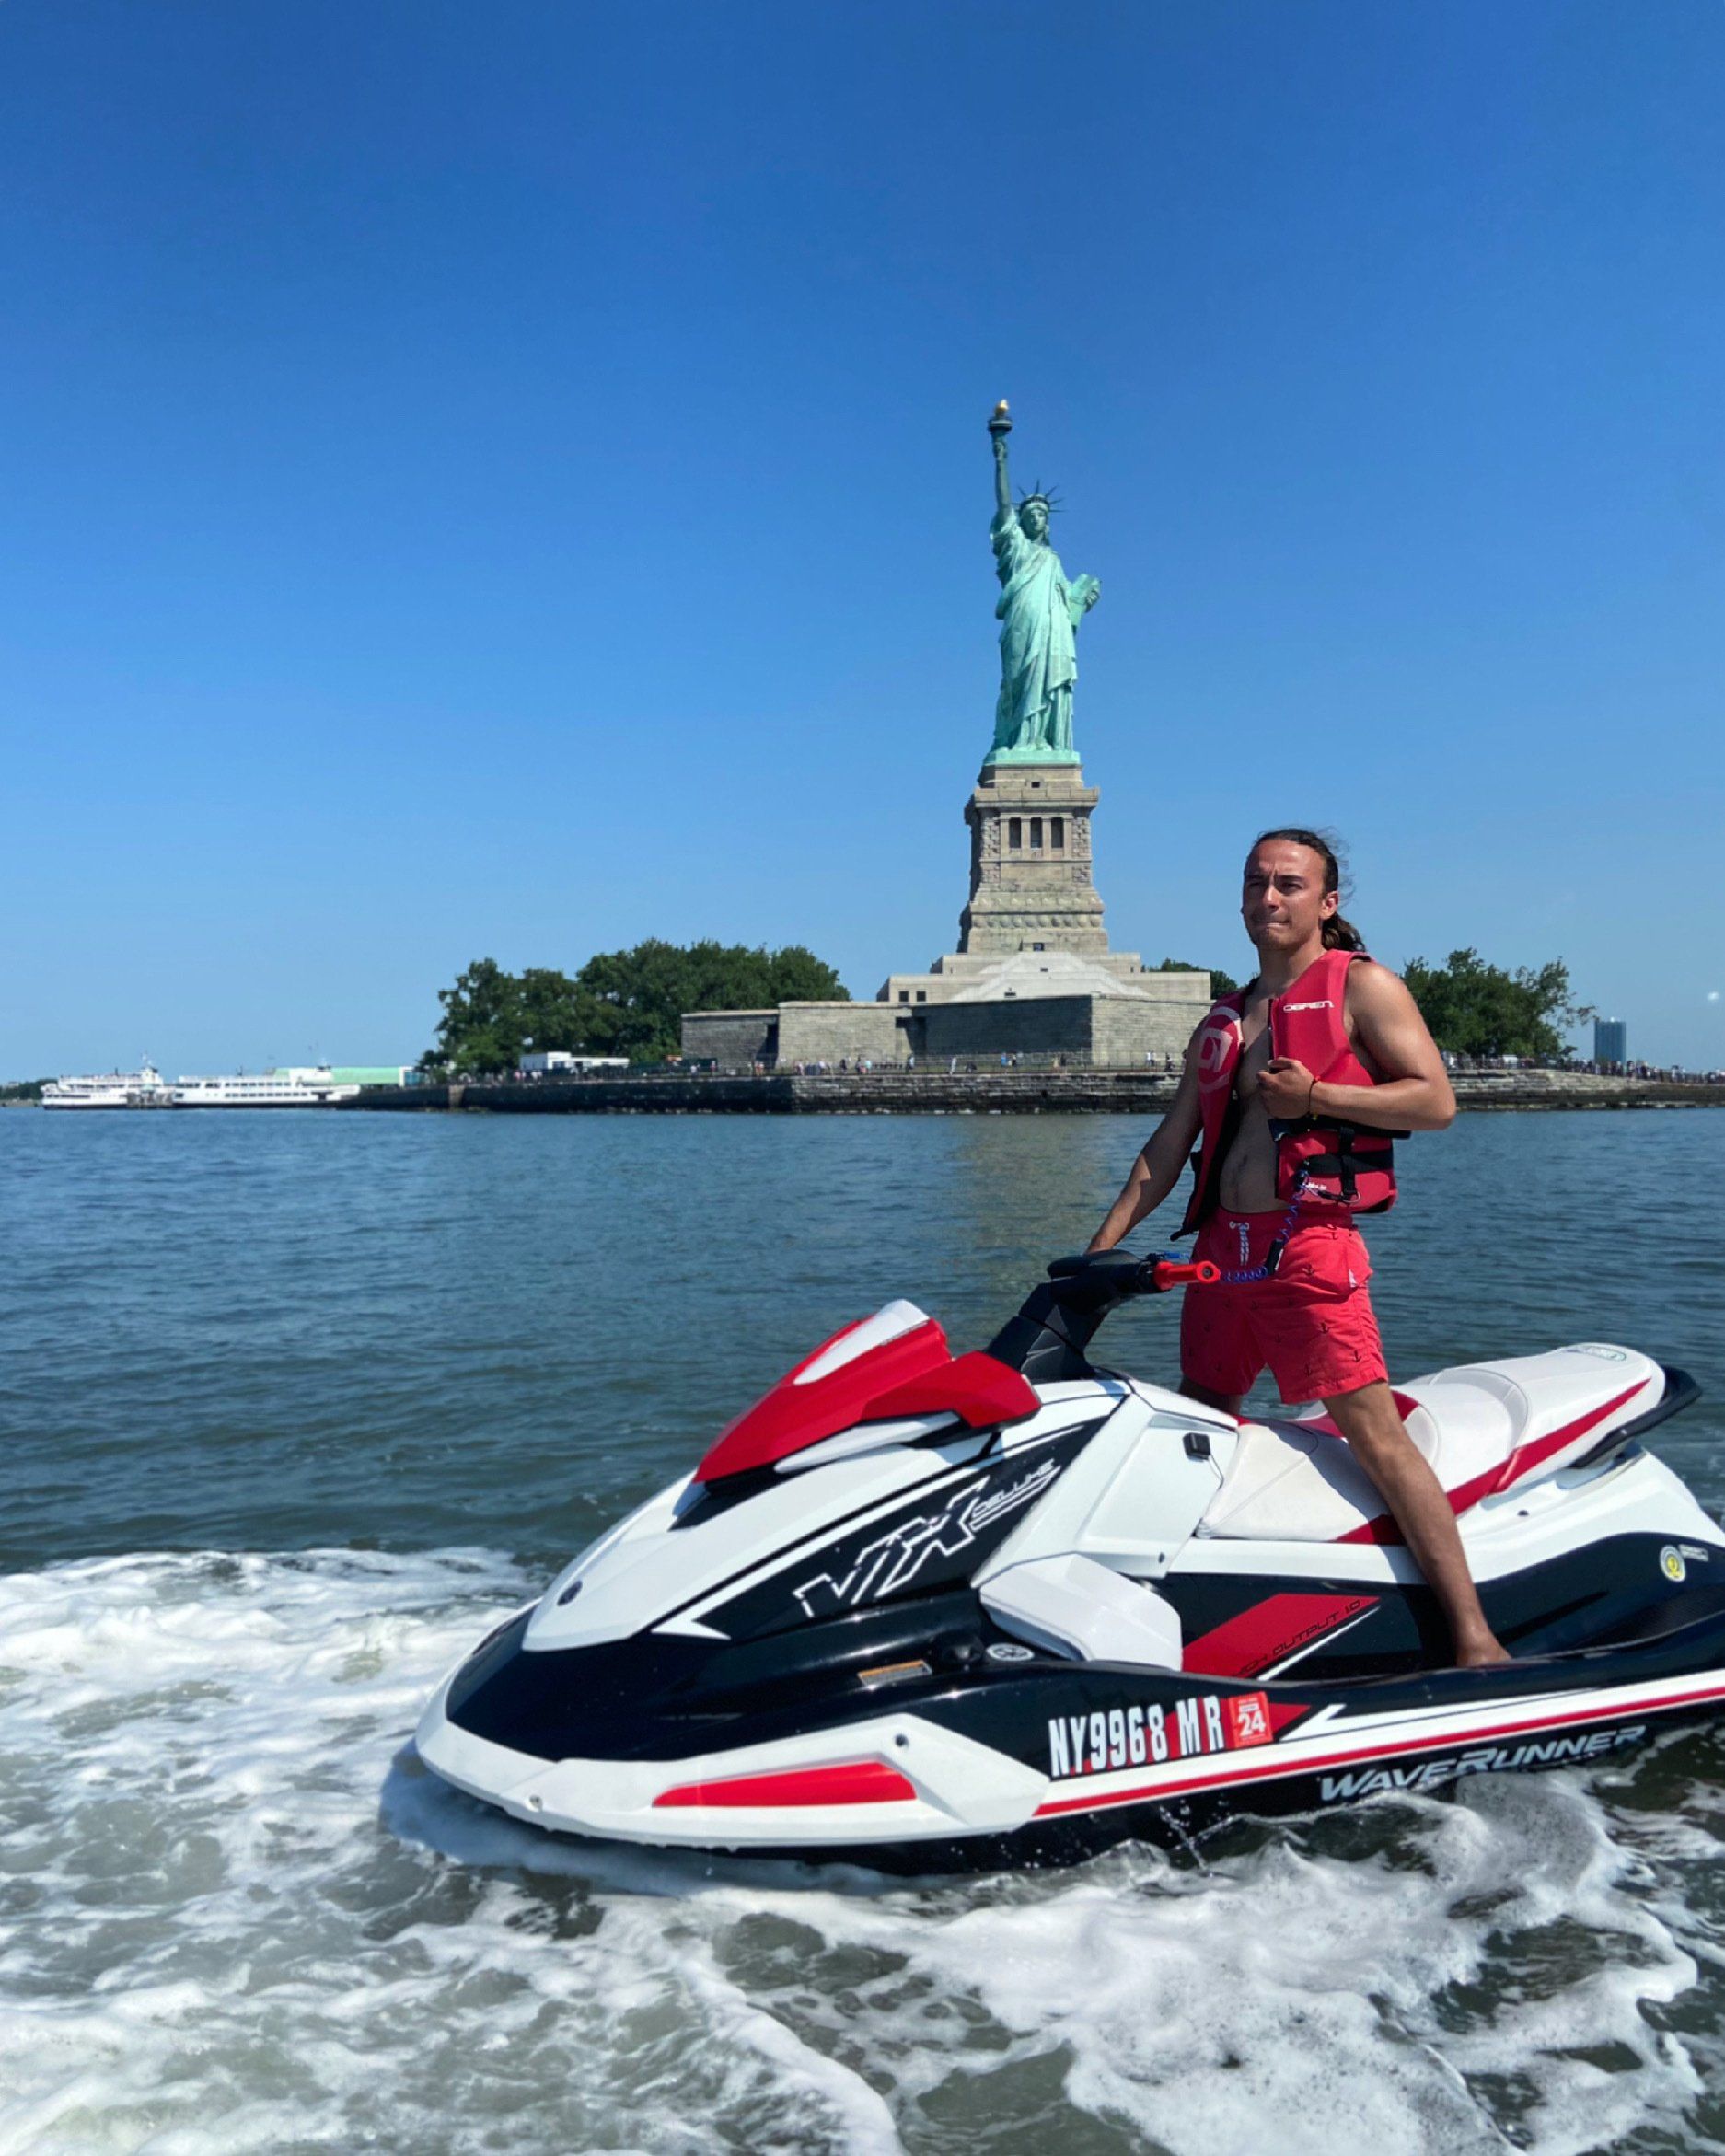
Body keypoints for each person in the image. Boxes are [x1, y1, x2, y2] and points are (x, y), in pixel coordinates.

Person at [1088, 828, 1509, 1668]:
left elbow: (1436, 1103)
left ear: (1327, 902)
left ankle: (1475, 1637)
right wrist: (1094, 1260)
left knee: (1376, 1435)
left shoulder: (1362, 988)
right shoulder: (1223, 1017)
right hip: (1219, 1256)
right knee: (1199, 1426)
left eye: (1288, 884)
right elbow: (1169, 1146)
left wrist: (1317, 1094)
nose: (1269, 898)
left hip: (1309, 1245)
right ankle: (1199, 1620)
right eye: (1256, 883)